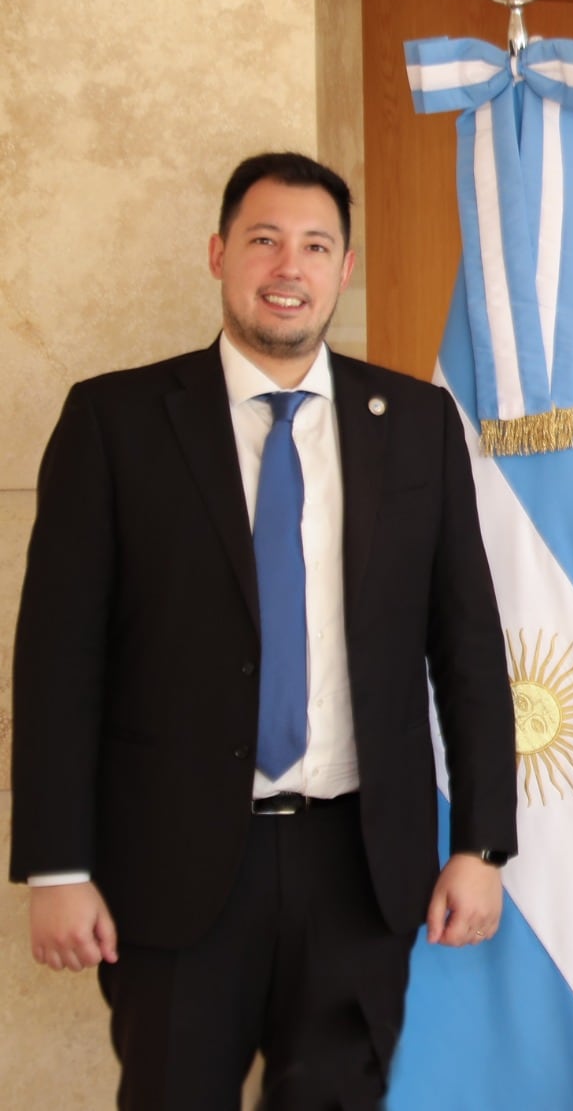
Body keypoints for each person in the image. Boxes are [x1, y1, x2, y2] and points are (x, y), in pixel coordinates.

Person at [11, 151, 517, 1108]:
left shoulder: (413, 422)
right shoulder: (115, 422)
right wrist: (57, 863)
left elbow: (468, 645)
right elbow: (57, 661)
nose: (290, 265)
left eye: (316, 245)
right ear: (218, 254)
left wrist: (482, 846)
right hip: (173, 868)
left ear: (344, 269)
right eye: (265, 239)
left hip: (359, 867)